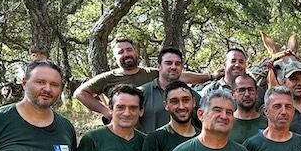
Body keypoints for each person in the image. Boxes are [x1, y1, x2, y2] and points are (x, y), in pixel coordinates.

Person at [75, 37, 215, 120]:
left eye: (129, 50)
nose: (126, 54)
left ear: (136, 52)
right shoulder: (107, 78)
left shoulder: (151, 73)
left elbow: (181, 75)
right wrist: (106, 111)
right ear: (115, 57)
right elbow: (80, 94)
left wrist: (210, 76)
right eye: (121, 52)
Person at [139, 47, 198, 132]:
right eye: (168, 63)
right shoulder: (142, 93)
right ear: (158, 66)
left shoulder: (193, 96)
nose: (173, 67)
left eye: (177, 64)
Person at [229, 74, 268, 144]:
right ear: (233, 94)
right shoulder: (226, 123)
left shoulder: (268, 124)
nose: (247, 94)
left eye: (250, 90)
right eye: (241, 90)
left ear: (256, 93)